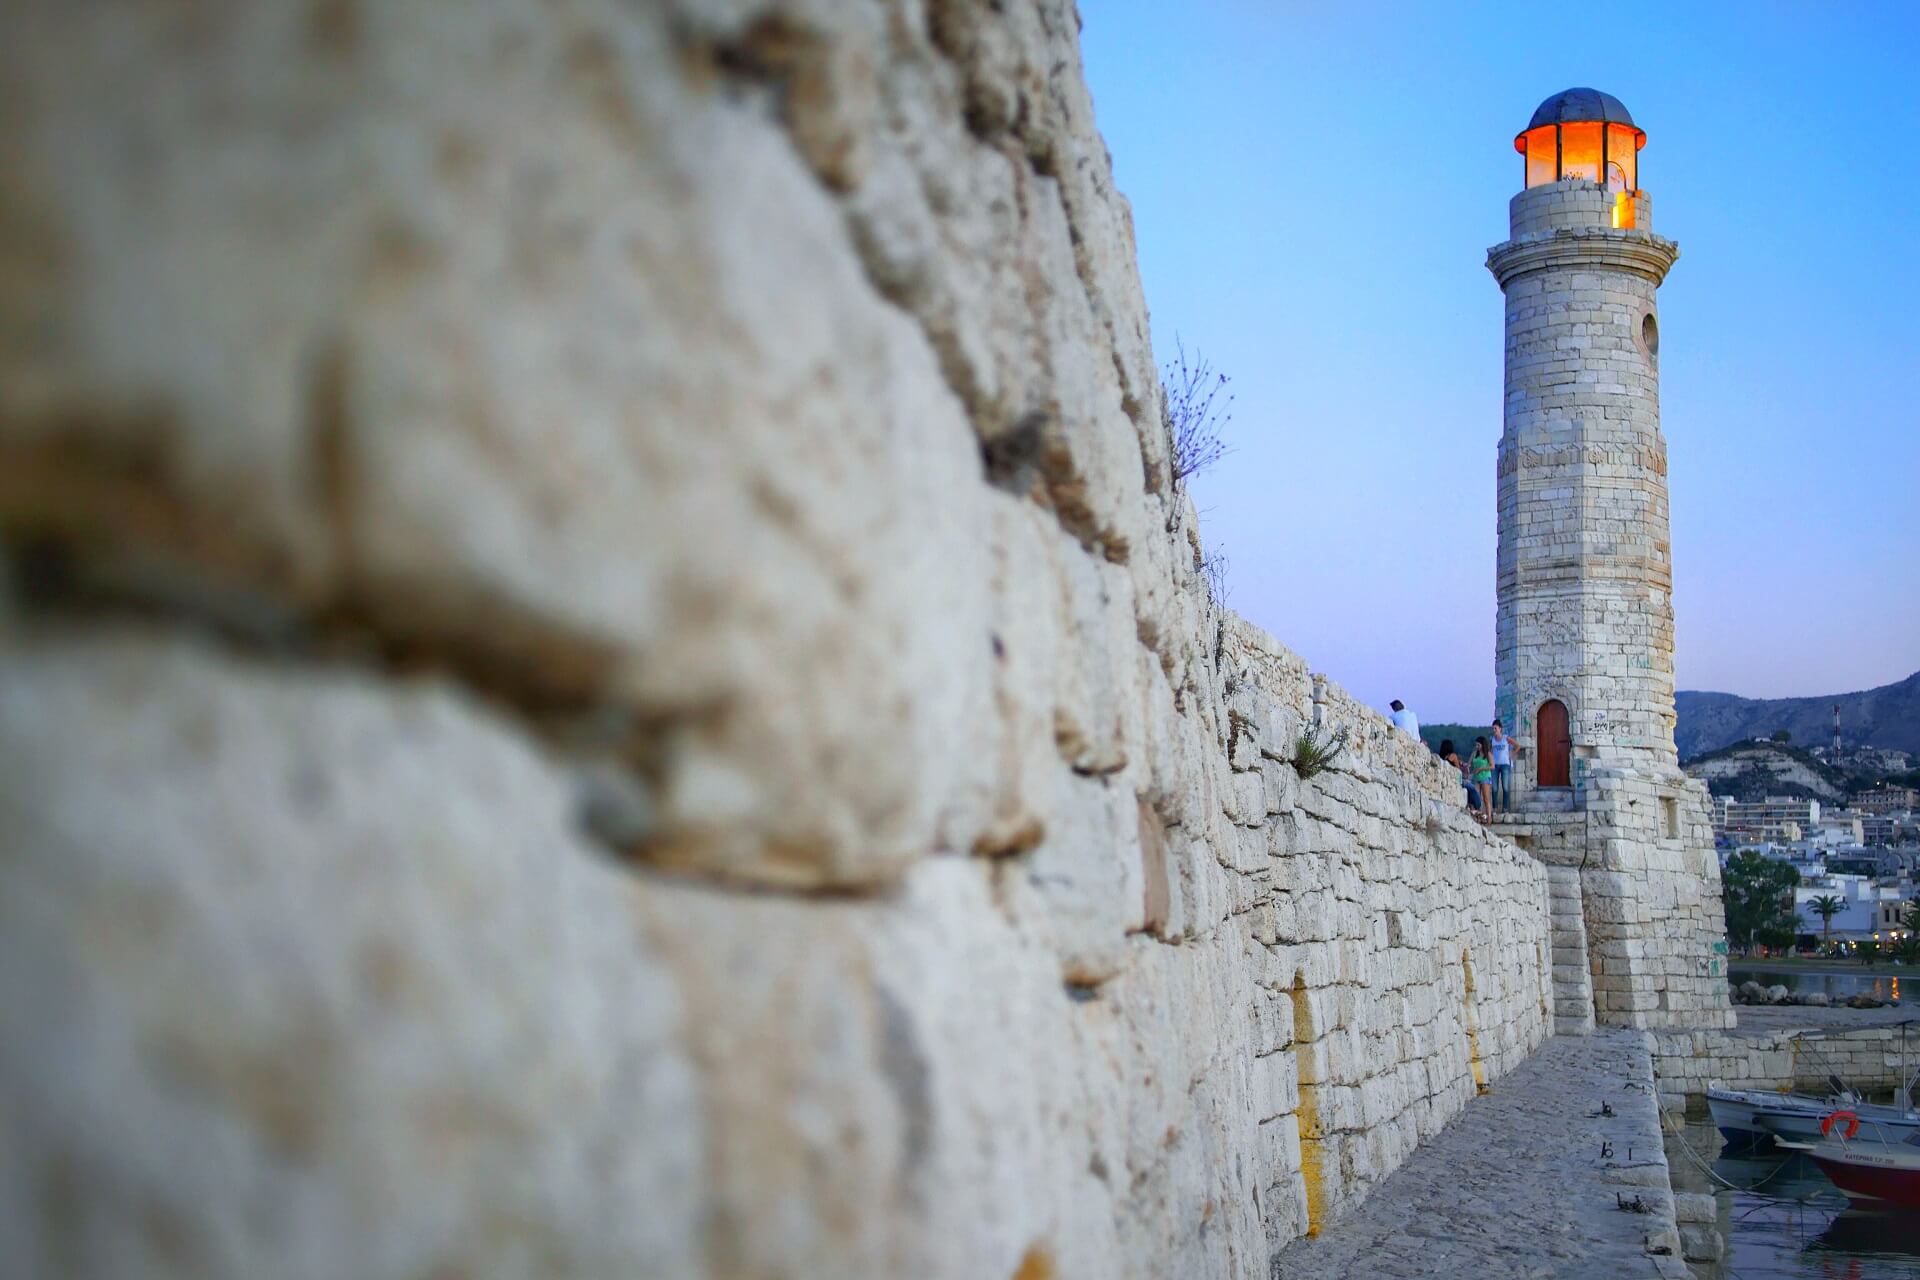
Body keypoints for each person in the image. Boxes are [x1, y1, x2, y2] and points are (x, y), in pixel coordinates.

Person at [1437, 739, 1473, 809]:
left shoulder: (1440, 757)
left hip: (1445, 779)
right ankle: (1476, 806)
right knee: (1472, 788)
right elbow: (1458, 770)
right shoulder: (1453, 756)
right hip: (1454, 779)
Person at [1469, 737, 1495, 822]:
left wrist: (1481, 768)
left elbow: (1492, 766)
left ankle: (1489, 818)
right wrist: (1467, 767)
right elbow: (1469, 763)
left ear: (1483, 745)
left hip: (1485, 777)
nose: (1477, 746)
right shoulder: (1474, 753)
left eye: (1478, 745)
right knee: (1477, 798)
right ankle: (1479, 817)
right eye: (1476, 744)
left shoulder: (1488, 754)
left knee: (1486, 798)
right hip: (1476, 778)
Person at [1489, 719, 1513, 812]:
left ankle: (1505, 809)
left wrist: (1511, 754)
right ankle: (1494, 809)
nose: (1494, 730)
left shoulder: (1506, 738)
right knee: (1494, 787)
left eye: (1495, 728)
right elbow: (1490, 752)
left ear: (1500, 729)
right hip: (1495, 766)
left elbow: (1517, 745)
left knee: (1505, 787)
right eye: (1493, 729)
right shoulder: (1492, 740)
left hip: (1505, 765)